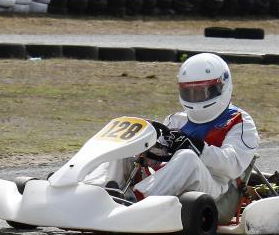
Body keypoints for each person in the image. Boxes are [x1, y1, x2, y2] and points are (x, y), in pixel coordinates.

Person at [92, 53, 259, 201]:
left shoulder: (239, 122)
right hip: (170, 184)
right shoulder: (176, 120)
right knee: (125, 149)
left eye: (202, 92)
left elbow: (232, 166)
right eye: (189, 93)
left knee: (187, 157)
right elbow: (157, 158)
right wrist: (147, 148)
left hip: (216, 191)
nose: (195, 98)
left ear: (222, 86)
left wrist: (198, 148)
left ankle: (133, 200)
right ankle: (96, 192)